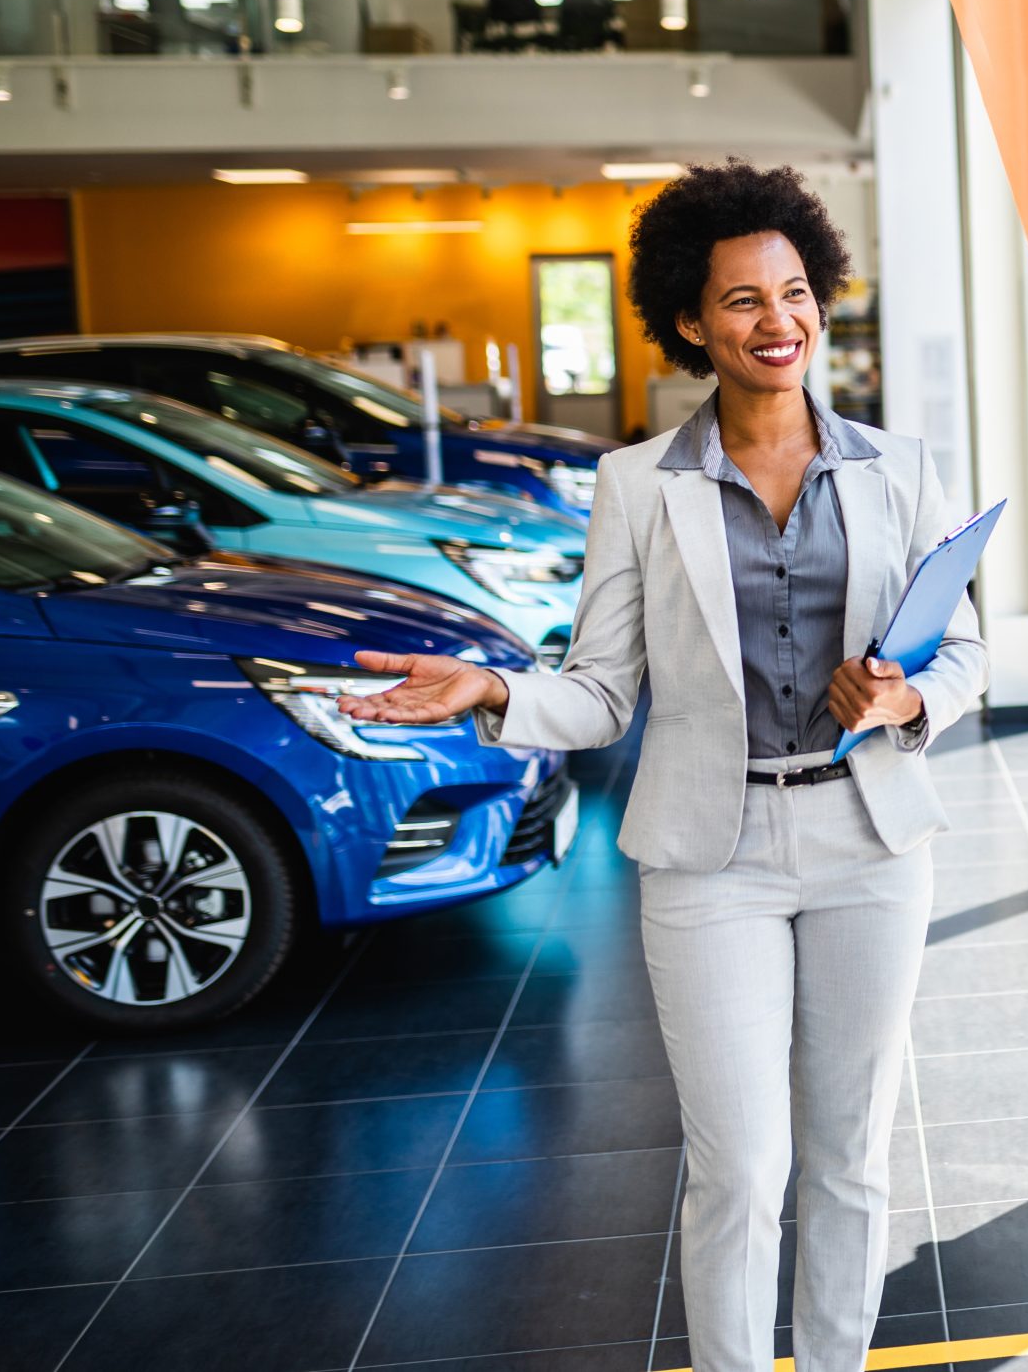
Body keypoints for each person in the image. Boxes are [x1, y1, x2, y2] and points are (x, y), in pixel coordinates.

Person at [343, 160, 988, 1372]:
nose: (778, 322)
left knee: (851, 1153)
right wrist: (495, 692)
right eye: (741, 301)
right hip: (710, 854)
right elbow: (600, 693)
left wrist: (909, 698)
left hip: (870, 839)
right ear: (689, 322)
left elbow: (963, 651)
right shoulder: (635, 485)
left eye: (795, 293)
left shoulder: (898, 469)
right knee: (739, 1166)